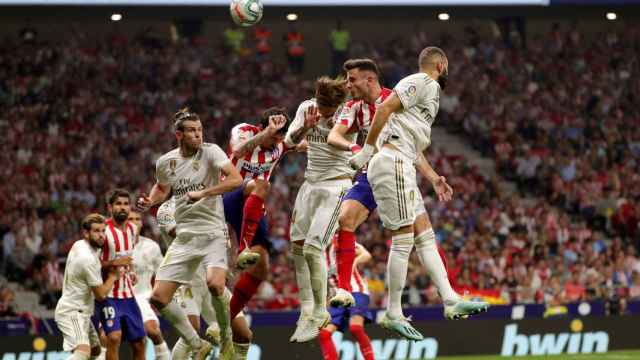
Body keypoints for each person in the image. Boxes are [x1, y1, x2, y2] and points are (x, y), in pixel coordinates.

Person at [349, 47, 489, 340]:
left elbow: (408, 138)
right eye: (447, 66)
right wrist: (367, 151)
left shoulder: (430, 93)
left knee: (425, 234)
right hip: (391, 162)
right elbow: (386, 107)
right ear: (441, 64)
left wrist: (434, 177)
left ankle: (450, 299)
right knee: (403, 239)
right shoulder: (421, 82)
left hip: (404, 160)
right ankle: (393, 312)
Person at [327, 58, 452, 309]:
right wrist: (359, 149)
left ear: (369, 79)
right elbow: (334, 135)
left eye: (352, 80)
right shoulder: (353, 107)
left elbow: (412, 147)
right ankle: (343, 288)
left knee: (420, 233)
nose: (347, 85)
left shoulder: (397, 99)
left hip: (397, 170)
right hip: (370, 172)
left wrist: (433, 177)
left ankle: (444, 293)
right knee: (345, 219)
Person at [137, 108, 243, 360]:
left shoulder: (211, 152)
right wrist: (150, 201)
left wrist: (204, 193)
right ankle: (196, 344)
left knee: (216, 285)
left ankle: (226, 335)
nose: (198, 135)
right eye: (192, 131)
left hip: (212, 232)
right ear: (179, 135)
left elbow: (236, 180)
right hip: (185, 237)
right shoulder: (166, 162)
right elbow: (162, 188)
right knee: (159, 297)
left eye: (200, 130)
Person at [284, 76, 353, 343]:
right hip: (310, 185)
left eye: (328, 108)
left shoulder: (349, 115)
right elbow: (289, 142)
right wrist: (305, 128)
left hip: (336, 187)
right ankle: (306, 312)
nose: (323, 112)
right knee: (298, 247)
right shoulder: (306, 109)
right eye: (321, 105)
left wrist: (340, 129)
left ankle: (321, 312)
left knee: (314, 248)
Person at [156, 198, 254, 360]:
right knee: (191, 332)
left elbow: (222, 247)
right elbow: (185, 238)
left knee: (243, 334)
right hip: (186, 282)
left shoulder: (214, 205)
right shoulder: (166, 209)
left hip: (211, 280)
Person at [225, 107, 295, 320]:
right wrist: (266, 133)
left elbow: (298, 142)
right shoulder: (244, 130)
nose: (276, 141)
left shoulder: (279, 145)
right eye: (273, 135)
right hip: (227, 193)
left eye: (280, 136)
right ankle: (243, 247)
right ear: (262, 128)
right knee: (263, 184)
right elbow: (237, 151)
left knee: (261, 268)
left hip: (252, 206)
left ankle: (227, 320)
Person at [54, 214, 126, 360]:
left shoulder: (80, 244)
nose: (101, 236)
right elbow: (100, 294)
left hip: (82, 311)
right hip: (73, 312)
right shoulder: (87, 259)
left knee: (95, 351)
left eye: (103, 231)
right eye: (96, 231)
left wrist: (112, 263)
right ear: (86, 233)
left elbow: (97, 263)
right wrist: (113, 277)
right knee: (83, 352)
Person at [96, 189, 146, 360]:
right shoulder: (103, 231)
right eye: (118, 204)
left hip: (129, 295)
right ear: (110, 207)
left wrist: (131, 271)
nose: (122, 207)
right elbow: (92, 264)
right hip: (108, 294)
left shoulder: (133, 229)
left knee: (139, 342)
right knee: (114, 337)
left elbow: (127, 256)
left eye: (125, 204)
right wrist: (114, 264)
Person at [319, 241, 374, 360]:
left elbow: (366, 255)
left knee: (355, 328)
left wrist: (354, 262)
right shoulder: (318, 254)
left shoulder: (341, 239)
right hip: (338, 297)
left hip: (355, 290)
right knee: (324, 334)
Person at [128, 210, 170, 360]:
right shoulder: (115, 245)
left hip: (143, 297)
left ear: (141, 223)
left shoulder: (151, 246)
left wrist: (158, 296)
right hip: (119, 297)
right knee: (109, 339)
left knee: (152, 331)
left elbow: (163, 273)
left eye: (137, 219)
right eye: (130, 219)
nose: (134, 222)